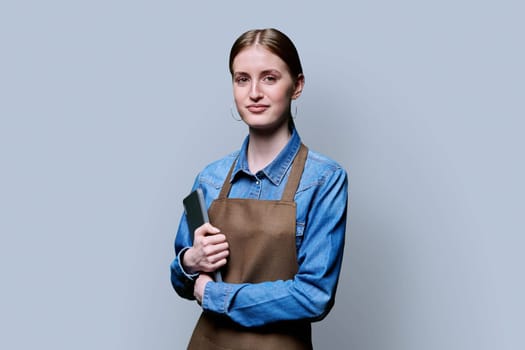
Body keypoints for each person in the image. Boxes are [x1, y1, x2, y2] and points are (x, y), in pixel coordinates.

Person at [170, 28, 348, 350]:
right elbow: (182, 282)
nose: (254, 93)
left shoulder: (325, 179)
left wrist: (216, 296)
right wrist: (190, 262)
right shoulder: (210, 178)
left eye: (269, 78)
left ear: (297, 86)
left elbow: (314, 295)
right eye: (242, 79)